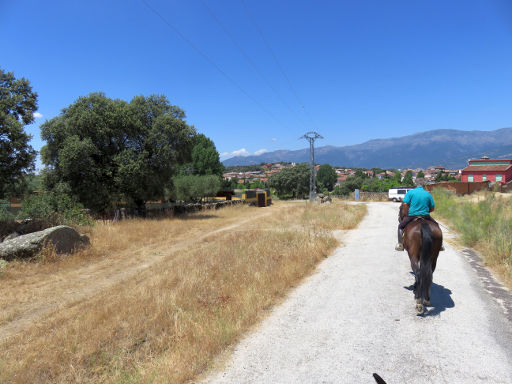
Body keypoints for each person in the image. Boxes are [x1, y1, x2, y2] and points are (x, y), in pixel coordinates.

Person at [395, 178, 443, 251]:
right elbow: (432, 208)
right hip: (426, 216)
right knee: (436, 225)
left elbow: (404, 204)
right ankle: (440, 245)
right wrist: (426, 211)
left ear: (415, 184)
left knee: (400, 226)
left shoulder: (411, 192)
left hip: (412, 216)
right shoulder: (428, 194)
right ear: (424, 185)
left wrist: (407, 212)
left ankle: (400, 244)